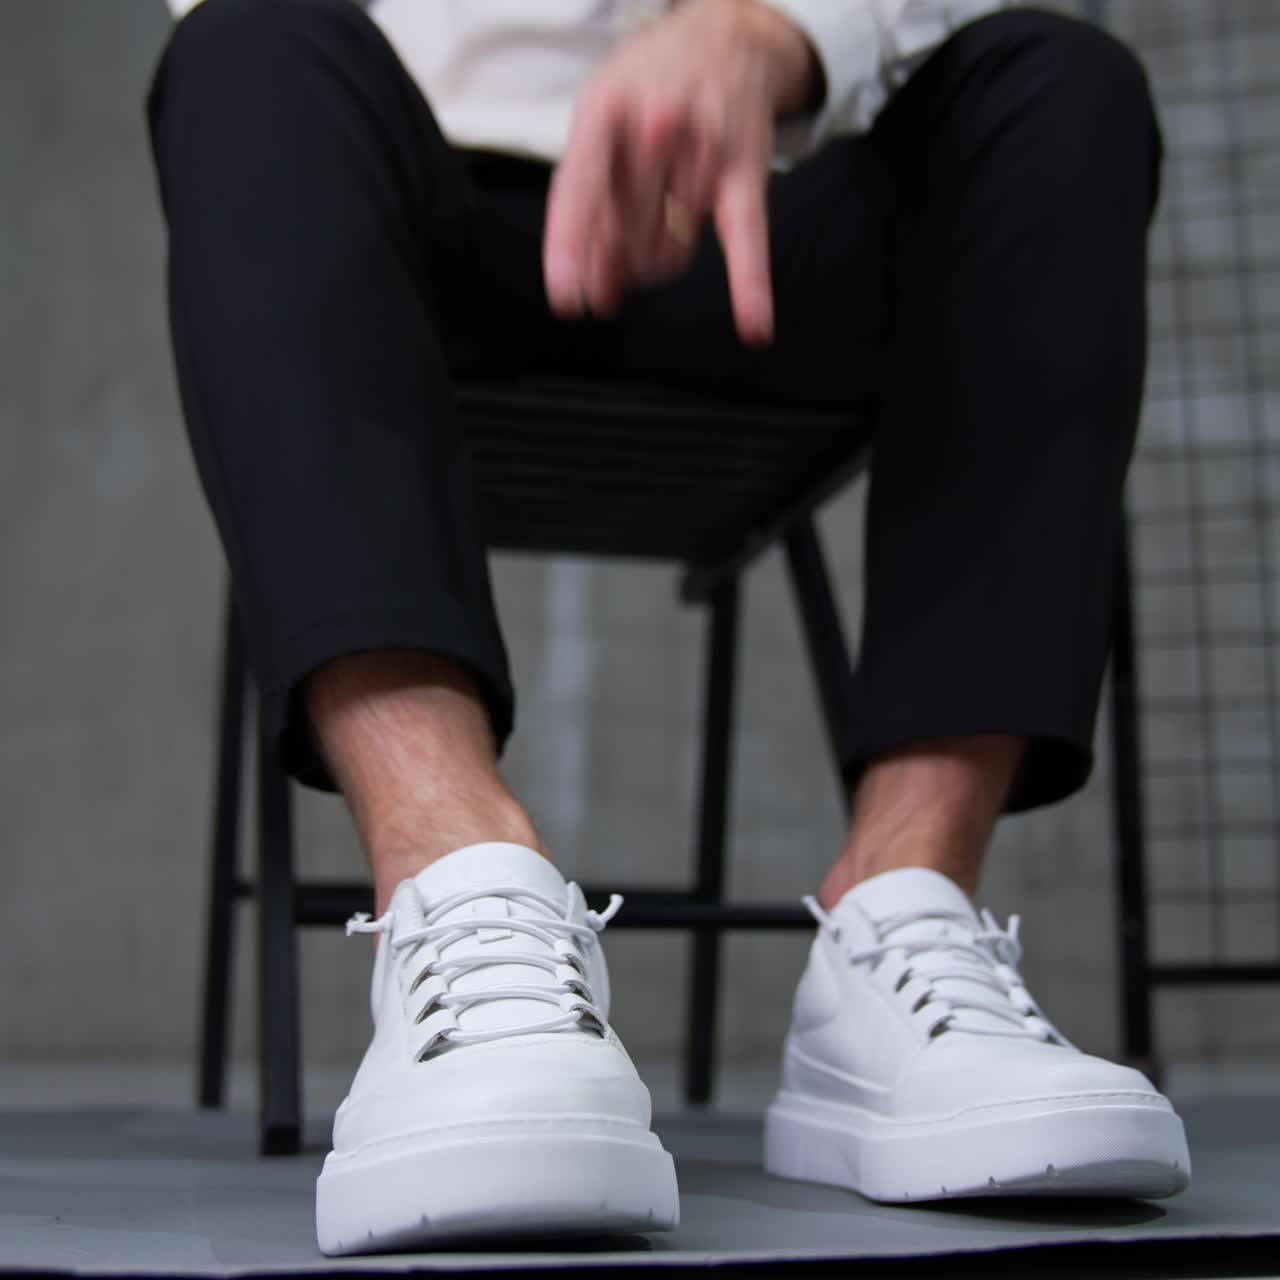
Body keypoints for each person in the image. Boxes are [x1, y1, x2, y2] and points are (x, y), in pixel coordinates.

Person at [147, 0, 1188, 1255]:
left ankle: (899, 912)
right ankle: (454, 883)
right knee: (242, 46)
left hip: (770, 206)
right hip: (417, 200)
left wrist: (777, 31)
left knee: (1059, 84)